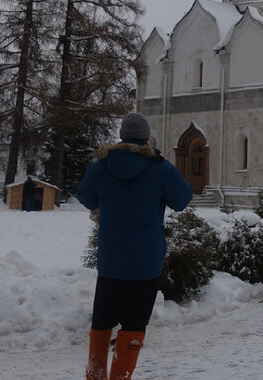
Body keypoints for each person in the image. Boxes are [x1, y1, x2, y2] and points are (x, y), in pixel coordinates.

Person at [76, 113, 192, 380]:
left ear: (122, 136)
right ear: (145, 137)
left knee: (102, 320)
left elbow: (85, 196)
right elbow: (182, 199)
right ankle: (120, 376)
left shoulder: (101, 167)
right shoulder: (160, 168)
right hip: (146, 263)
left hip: (111, 259)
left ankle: (94, 375)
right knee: (134, 324)